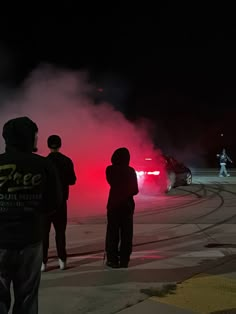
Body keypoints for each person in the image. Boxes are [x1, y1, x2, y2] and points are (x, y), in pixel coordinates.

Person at [0, 116, 61, 314]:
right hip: (31, 240)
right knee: (27, 298)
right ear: (30, 138)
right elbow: (55, 201)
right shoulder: (43, 165)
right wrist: (32, 211)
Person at [41, 135, 76, 271]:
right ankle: (62, 260)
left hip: (45, 203)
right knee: (60, 232)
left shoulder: (43, 162)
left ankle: (43, 263)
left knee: (44, 233)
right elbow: (72, 180)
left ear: (48, 145)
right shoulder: (67, 161)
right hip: (61, 202)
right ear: (60, 145)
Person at [105, 147, 139, 268]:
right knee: (126, 234)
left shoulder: (109, 170)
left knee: (112, 233)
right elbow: (135, 190)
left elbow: (111, 182)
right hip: (127, 206)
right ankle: (124, 259)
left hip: (113, 205)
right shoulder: (131, 171)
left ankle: (112, 259)